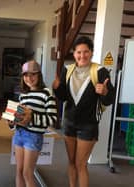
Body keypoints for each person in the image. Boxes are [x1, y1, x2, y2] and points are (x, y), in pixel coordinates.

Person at [52, 36, 115, 187]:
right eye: (78, 52)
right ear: (74, 54)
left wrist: (105, 92)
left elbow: (109, 100)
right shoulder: (67, 70)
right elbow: (63, 97)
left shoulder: (100, 71)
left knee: (81, 165)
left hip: (88, 125)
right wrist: (56, 88)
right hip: (69, 123)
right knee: (71, 162)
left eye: (86, 52)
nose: (82, 55)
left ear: (91, 53)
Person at [8, 60, 57, 187]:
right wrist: (12, 121)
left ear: (39, 75)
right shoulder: (23, 94)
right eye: (25, 75)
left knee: (27, 173)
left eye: (33, 74)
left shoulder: (47, 93)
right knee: (18, 171)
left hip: (34, 136)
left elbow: (52, 119)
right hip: (19, 134)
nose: (29, 78)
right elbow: (19, 117)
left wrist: (32, 118)